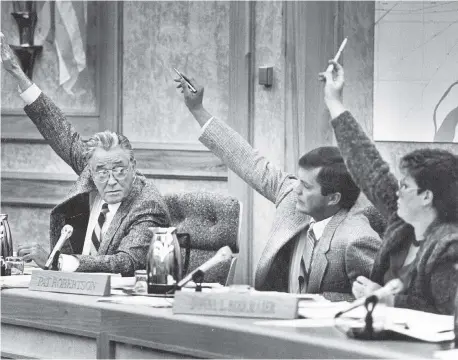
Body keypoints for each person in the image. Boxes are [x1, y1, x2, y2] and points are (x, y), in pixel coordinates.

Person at [175, 74, 382, 301]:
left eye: (306, 186)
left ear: (333, 198)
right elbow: (246, 159)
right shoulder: (291, 195)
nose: (296, 190)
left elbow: (378, 302)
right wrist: (197, 109)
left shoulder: (357, 237)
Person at [1, 33, 170, 276]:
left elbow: (125, 262)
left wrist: (57, 261)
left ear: (133, 166)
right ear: (91, 168)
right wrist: (16, 72)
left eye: (120, 170)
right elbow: (58, 129)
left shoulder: (148, 205)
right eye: (102, 172)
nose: (111, 179)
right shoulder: (95, 166)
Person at [320, 59, 458, 314]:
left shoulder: (449, 246)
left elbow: (447, 317)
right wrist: (334, 101)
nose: (397, 191)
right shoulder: (402, 222)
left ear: (426, 196)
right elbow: (368, 165)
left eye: (404, 186)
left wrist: (386, 300)